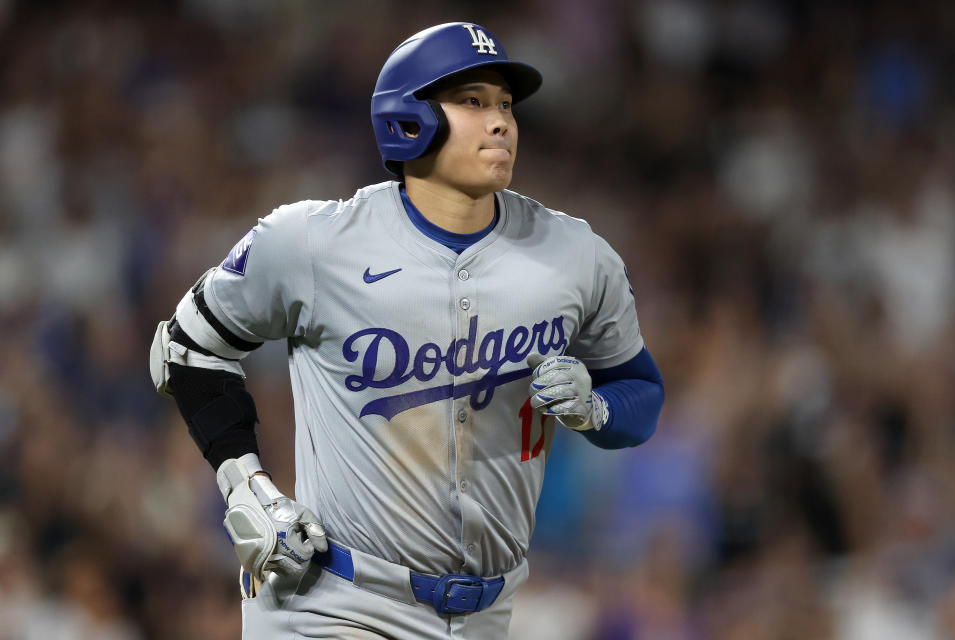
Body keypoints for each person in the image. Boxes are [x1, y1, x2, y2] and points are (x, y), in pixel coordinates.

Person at [149, 21, 664, 639]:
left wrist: (597, 410)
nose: (499, 121)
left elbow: (643, 394)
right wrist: (244, 486)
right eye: (472, 101)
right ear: (408, 118)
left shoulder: (576, 256)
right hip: (335, 601)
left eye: (505, 105)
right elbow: (184, 348)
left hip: (487, 616)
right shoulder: (314, 243)